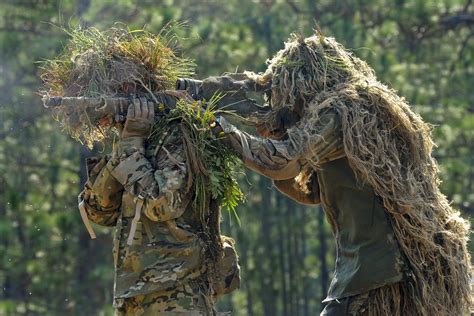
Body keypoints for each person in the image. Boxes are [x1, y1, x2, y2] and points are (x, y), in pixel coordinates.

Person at [193, 33, 472, 315]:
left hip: (384, 274)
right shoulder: (358, 110)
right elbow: (312, 192)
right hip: (388, 271)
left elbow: (281, 161)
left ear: (303, 84)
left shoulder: (343, 110)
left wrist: (217, 127)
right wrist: (278, 140)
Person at [78, 96, 240, 315]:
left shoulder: (177, 135)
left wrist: (131, 146)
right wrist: (127, 145)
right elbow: (97, 213)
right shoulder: (132, 141)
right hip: (133, 295)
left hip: (176, 293)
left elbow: (162, 205)